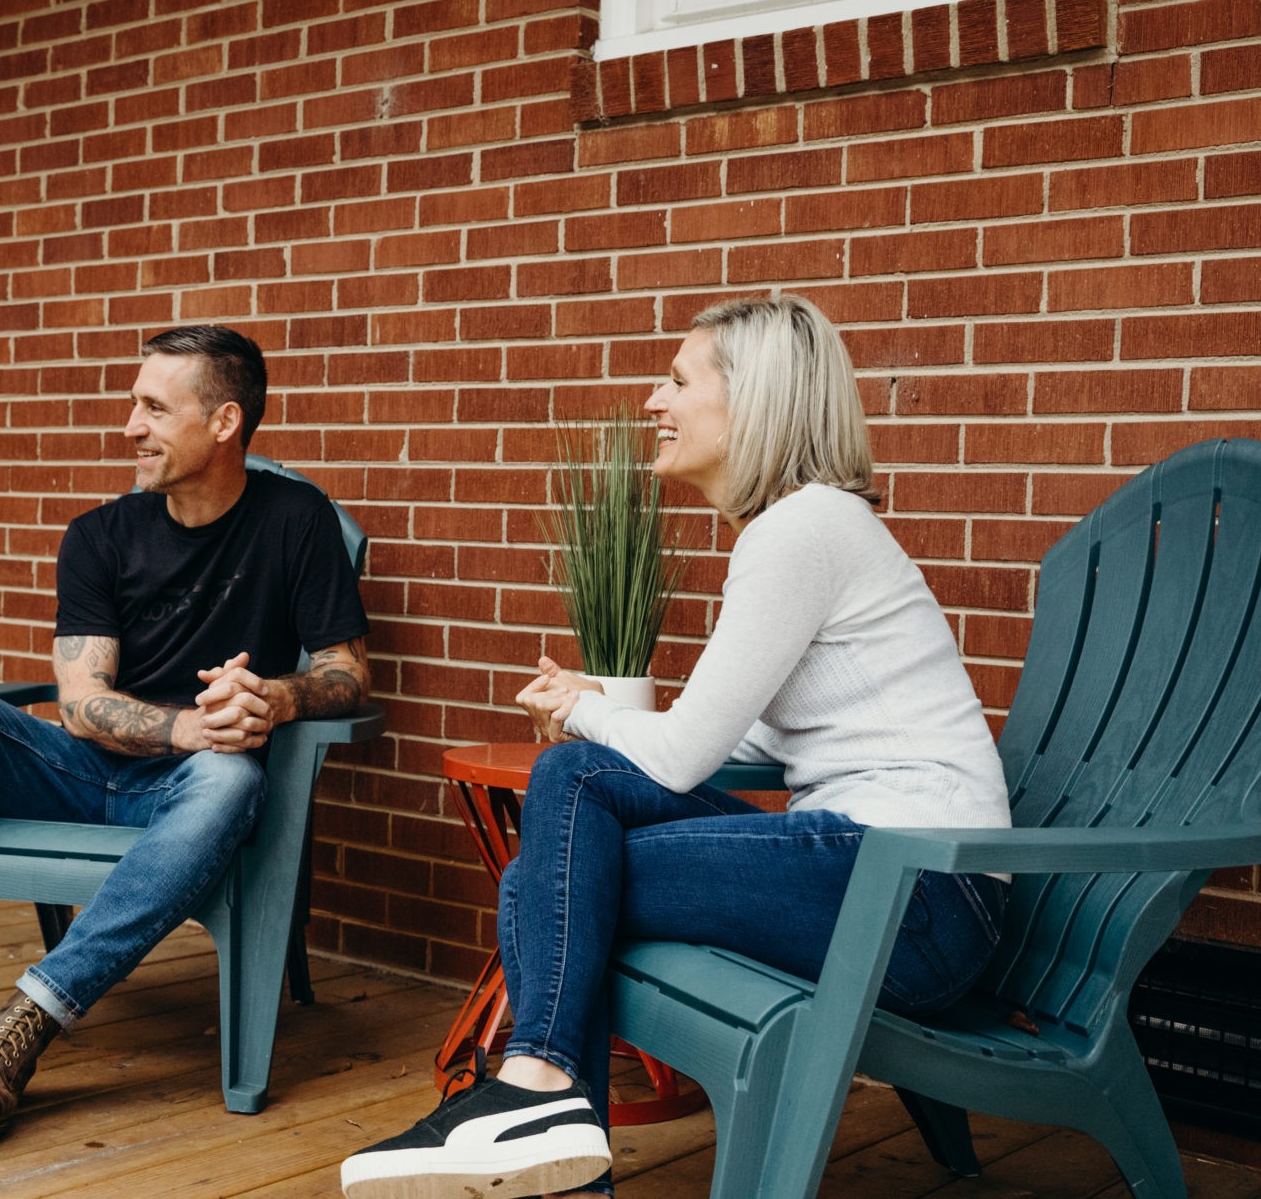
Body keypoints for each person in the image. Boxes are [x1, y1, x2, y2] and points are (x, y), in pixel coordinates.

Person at [340, 295, 1011, 1199]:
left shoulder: (801, 529)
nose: (654, 400)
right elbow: (755, 730)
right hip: (886, 883)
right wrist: (594, 708)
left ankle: (535, 1095)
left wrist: (581, 713)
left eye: (678, 380)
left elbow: (687, 753)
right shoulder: (814, 526)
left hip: (915, 897)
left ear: (757, 401)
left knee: (555, 854)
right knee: (565, 834)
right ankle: (547, 1119)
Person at [0, 325, 370, 1139]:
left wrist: (277, 697)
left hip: (199, 794)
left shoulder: (298, 520)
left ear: (224, 424)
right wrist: (188, 725)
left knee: (233, 775)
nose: (130, 426)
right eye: (134, 404)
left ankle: (26, 1024)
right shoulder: (101, 535)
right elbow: (82, 704)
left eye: (154, 407)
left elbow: (346, 671)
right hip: (83, 772)